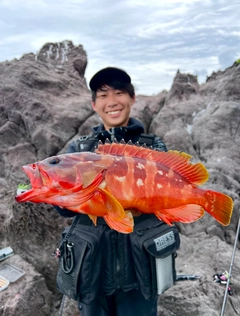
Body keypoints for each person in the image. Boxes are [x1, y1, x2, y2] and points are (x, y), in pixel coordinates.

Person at [55, 67, 168, 316]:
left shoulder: (154, 147)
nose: (112, 102)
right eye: (103, 95)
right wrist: (57, 195)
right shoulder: (79, 149)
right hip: (92, 271)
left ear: (132, 98)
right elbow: (63, 208)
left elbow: (168, 200)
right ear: (94, 105)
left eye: (119, 93)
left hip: (141, 272)